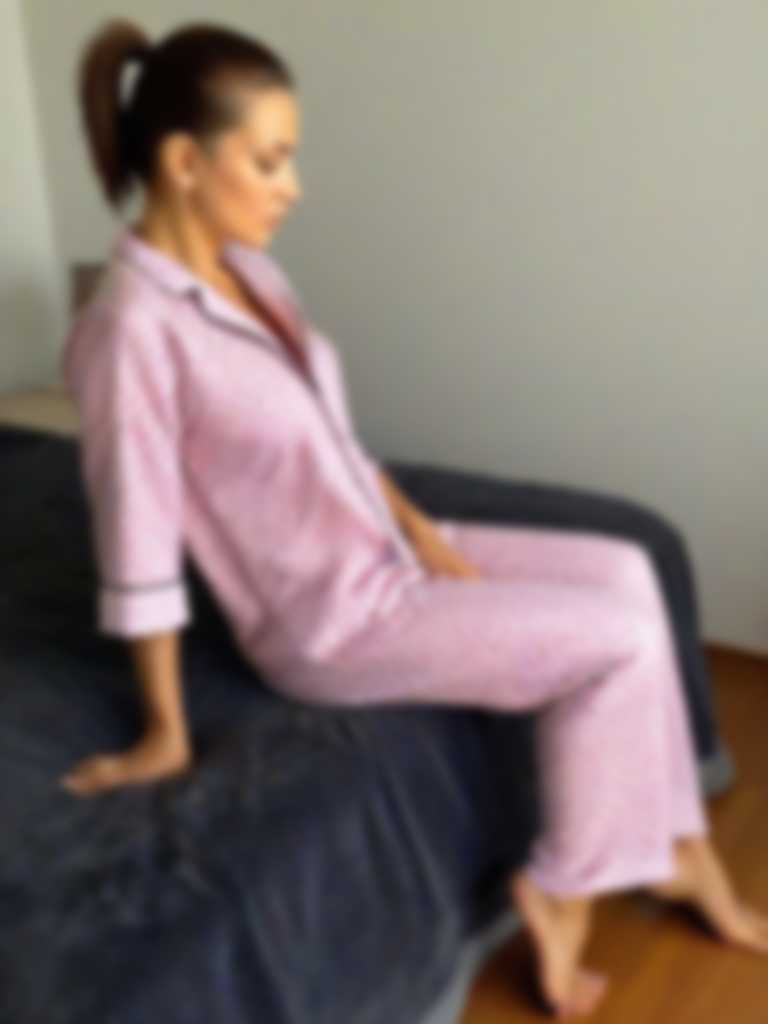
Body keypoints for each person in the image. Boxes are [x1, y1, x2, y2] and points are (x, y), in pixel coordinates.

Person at [58, 18, 768, 1019]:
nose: (293, 186)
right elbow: (135, 534)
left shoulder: (250, 272)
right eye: (269, 160)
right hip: (331, 622)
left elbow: (329, 436)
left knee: (626, 571)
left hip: (385, 550)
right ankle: (563, 884)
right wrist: (166, 733)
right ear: (184, 162)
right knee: (617, 643)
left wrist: (423, 531)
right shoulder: (129, 330)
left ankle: (679, 849)